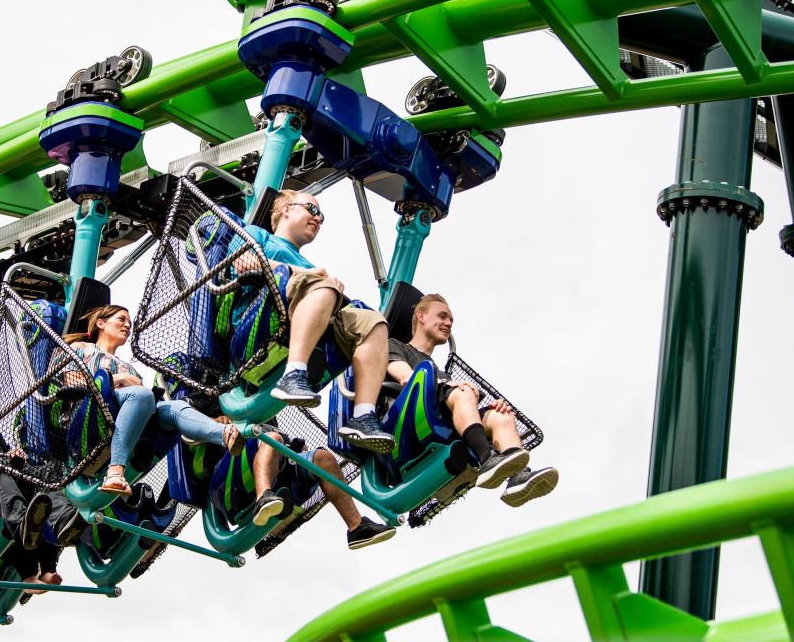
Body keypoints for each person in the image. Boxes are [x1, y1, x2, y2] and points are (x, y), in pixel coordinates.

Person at [228, 189, 395, 453]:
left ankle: (363, 414)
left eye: (322, 217)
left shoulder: (311, 267)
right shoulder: (259, 236)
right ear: (286, 210)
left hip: (300, 319)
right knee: (324, 287)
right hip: (257, 325)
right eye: (312, 210)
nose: (318, 219)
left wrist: (333, 292)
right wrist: (310, 275)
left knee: (372, 322)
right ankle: (294, 373)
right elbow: (241, 262)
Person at [386, 294, 559, 507]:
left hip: (444, 420)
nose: (448, 323)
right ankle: (487, 459)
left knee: (500, 415)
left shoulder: (443, 374)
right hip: (408, 421)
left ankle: (518, 477)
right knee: (462, 391)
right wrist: (451, 387)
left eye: (451, 320)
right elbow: (404, 376)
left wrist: (488, 407)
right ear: (421, 316)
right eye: (442, 316)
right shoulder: (395, 346)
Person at [63, 305, 246, 495]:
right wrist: (119, 379)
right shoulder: (81, 349)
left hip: (124, 419)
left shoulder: (129, 368)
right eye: (121, 319)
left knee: (173, 407)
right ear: (101, 323)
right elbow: (73, 384)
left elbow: (146, 403)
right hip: (87, 420)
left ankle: (225, 434)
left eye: (130, 323)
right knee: (141, 394)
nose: (127, 325)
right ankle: (115, 471)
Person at [0, 361, 84, 591]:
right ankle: (22, 532)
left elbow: (2, 450)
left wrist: (13, 453)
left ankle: (61, 527)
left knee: (47, 472)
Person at [248, 429, 395, 550]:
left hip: (284, 462)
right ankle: (263, 495)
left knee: (323, 458)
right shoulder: (231, 407)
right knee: (272, 438)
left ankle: (357, 527)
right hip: (249, 457)